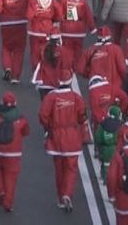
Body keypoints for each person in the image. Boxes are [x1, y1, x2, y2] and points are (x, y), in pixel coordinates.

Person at [38, 68, 88, 212]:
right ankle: (67, 194)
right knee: (71, 169)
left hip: (56, 136)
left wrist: (49, 128)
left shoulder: (51, 97)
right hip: (72, 135)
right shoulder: (76, 97)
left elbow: (43, 116)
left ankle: (61, 197)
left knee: (59, 168)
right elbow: (82, 116)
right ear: (71, 80)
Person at [0, 91, 28, 212]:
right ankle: (8, 202)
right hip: (13, 152)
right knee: (11, 176)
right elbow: (26, 130)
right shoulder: (20, 117)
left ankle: (0, 191)